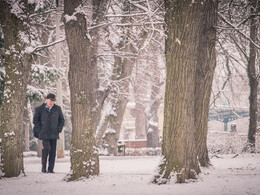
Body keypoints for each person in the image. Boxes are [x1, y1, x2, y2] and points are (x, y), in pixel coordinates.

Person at [33, 93, 65, 173]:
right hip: (44, 133)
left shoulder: (57, 108)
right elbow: (35, 120)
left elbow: (62, 120)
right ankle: (43, 167)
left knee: (53, 151)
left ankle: (51, 169)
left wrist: (59, 129)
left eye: (53, 101)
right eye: (51, 100)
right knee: (46, 149)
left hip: (54, 133)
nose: (52, 102)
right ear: (47, 100)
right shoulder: (40, 109)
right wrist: (40, 130)